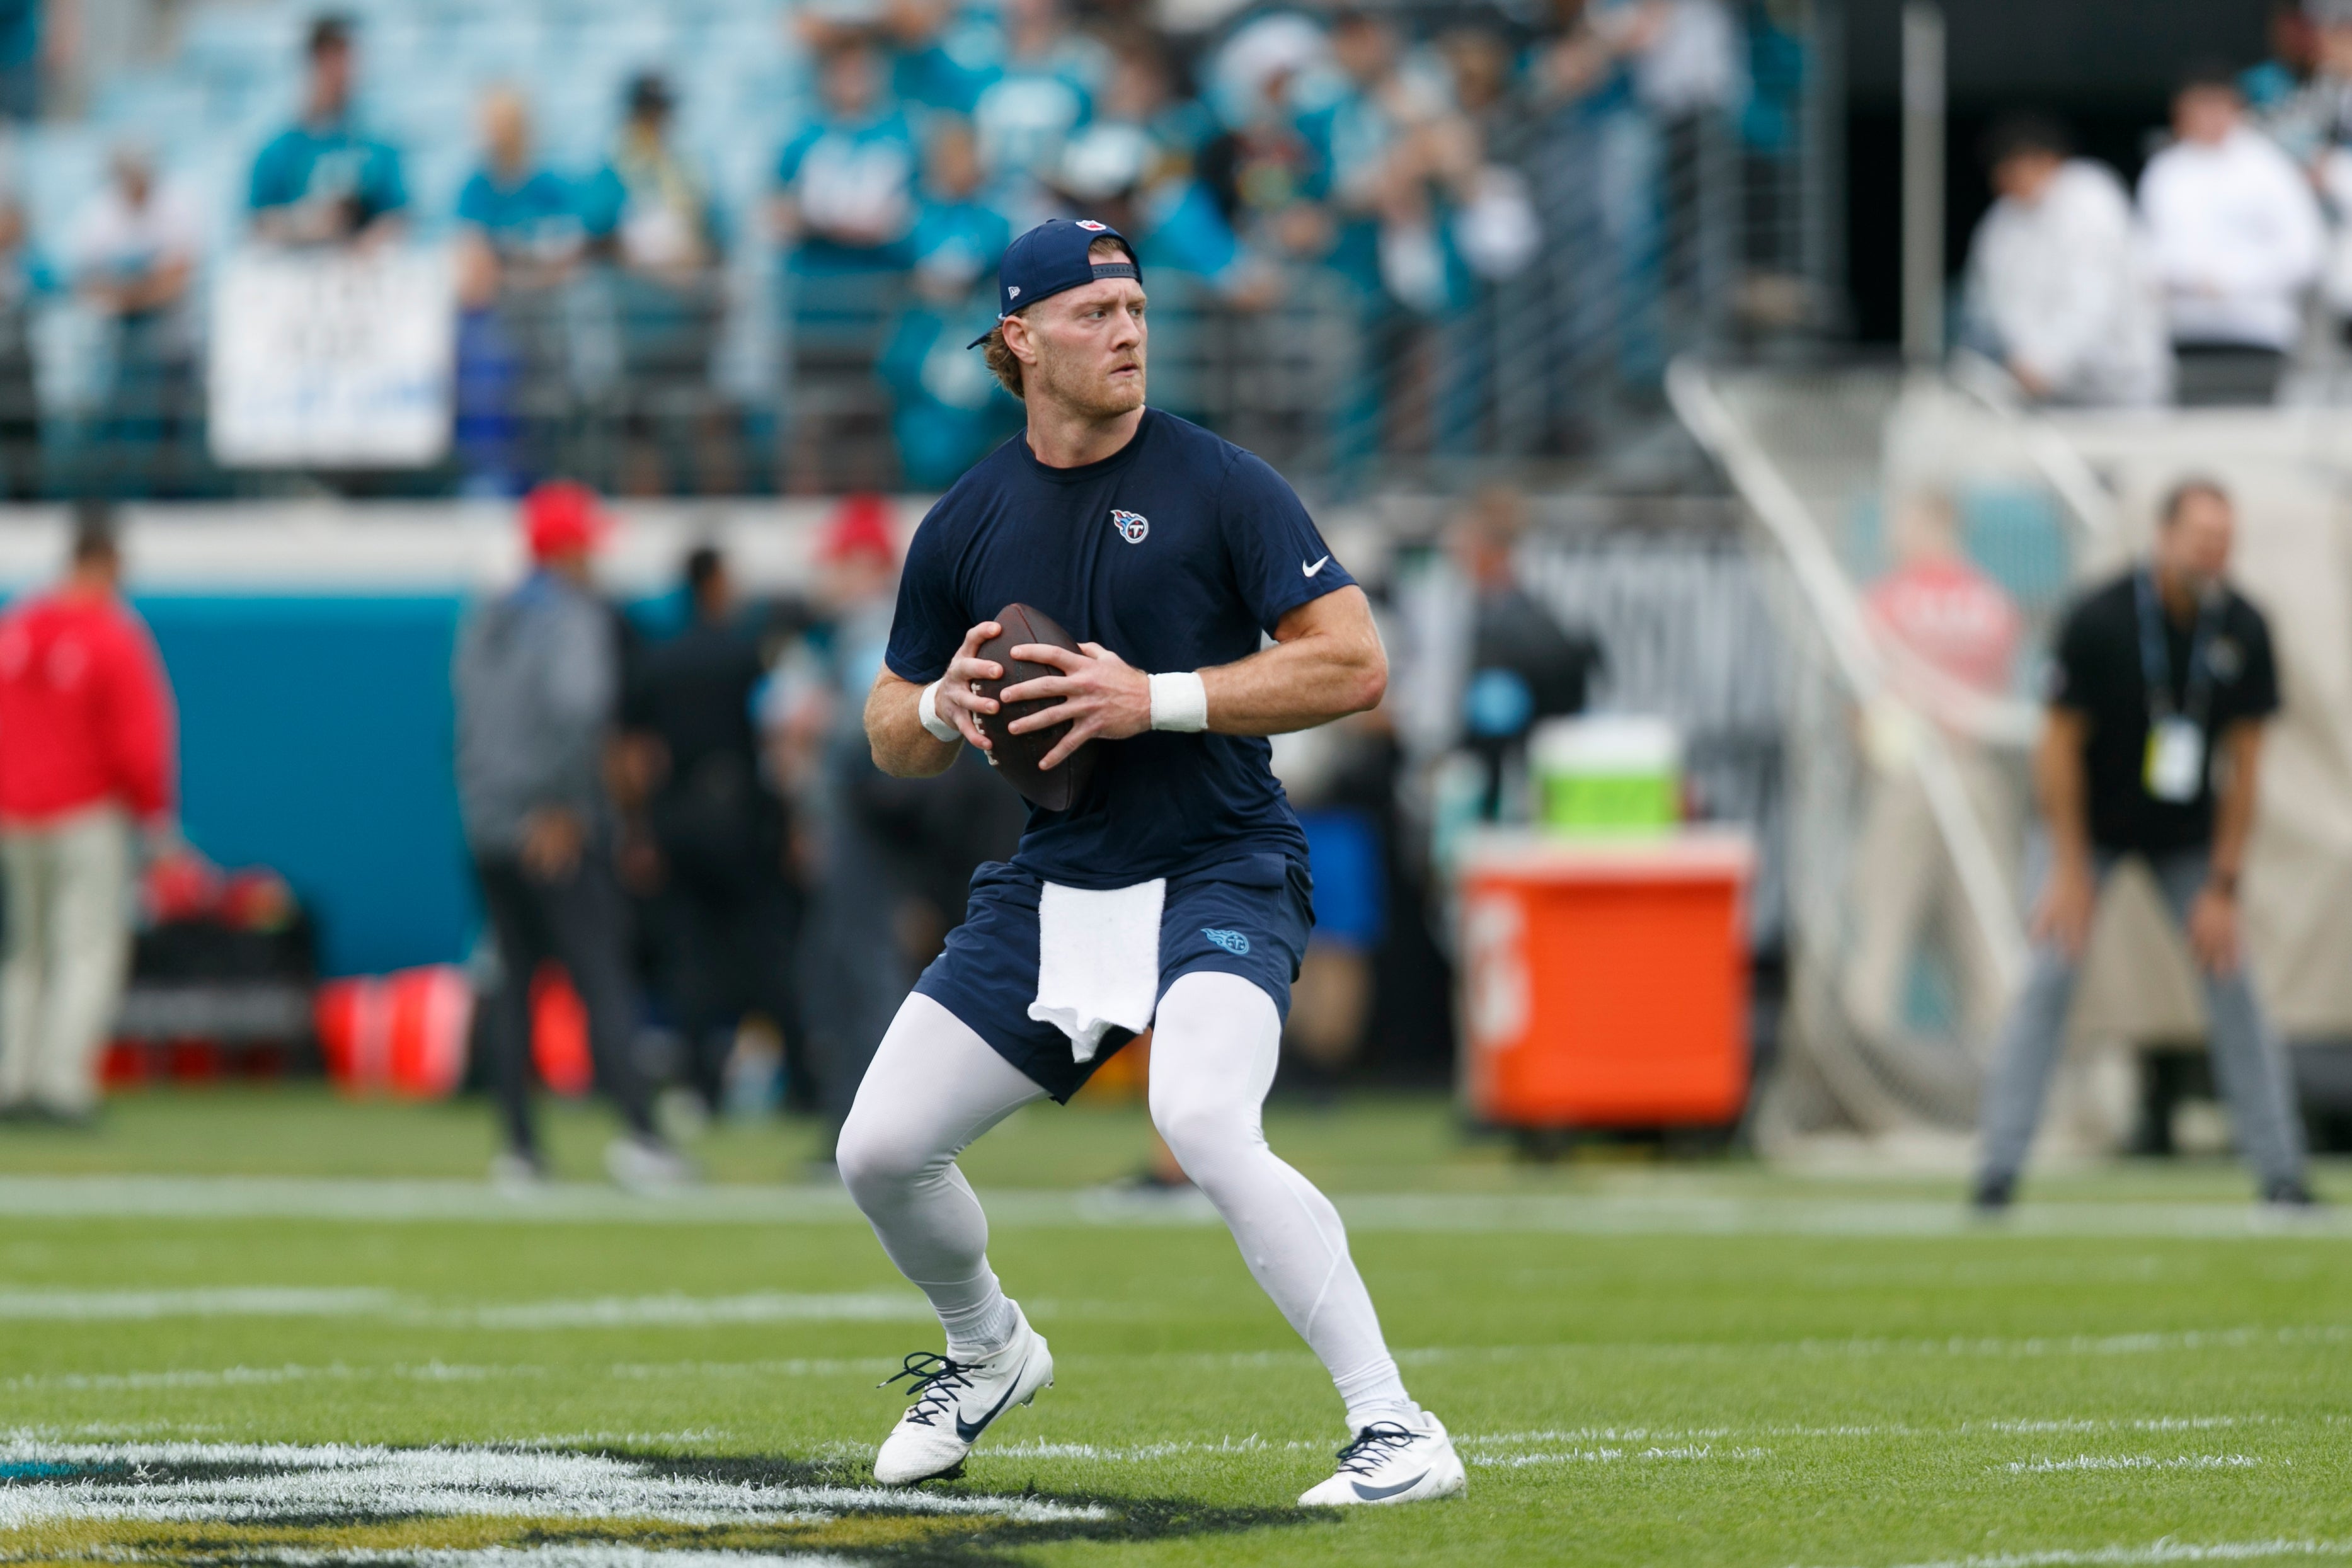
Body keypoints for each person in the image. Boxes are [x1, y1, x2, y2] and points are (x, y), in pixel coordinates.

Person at [837, 218, 1465, 1506]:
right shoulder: (966, 516)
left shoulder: (1222, 482)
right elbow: (889, 729)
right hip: (1061, 876)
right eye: (1091, 311)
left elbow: (1355, 661)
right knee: (879, 1147)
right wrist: (945, 710)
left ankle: (1397, 1427)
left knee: (1201, 1118)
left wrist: (1158, 699)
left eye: (1134, 305)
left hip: (1219, 863)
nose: (1125, 329)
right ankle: (986, 1348)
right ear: (1019, 339)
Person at [1973, 480, 2311, 1213]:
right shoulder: (2100, 618)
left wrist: (2222, 887)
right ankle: (1996, 1170)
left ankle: (2281, 1172)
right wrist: (2067, 870)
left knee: (2234, 981)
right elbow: (2056, 750)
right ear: (2163, 537)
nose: (2211, 553)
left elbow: (2244, 769)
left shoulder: (2243, 628)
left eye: (2223, 540)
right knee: (2047, 976)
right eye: (2199, 537)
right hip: (2085, 825)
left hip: (2185, 834)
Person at [453, 481, 692, 1191]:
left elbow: (464, 729)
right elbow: (578, 707)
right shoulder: (570, 614)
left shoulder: (487, 615)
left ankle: (520, 1148)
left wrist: (499, 813)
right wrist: (556, 806)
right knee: (600, 976)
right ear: (564, 547)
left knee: (513, 984)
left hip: (489, 825)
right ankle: (641, 1137)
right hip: (553, 825)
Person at [0, 506, 179, 1123]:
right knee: (85, 950)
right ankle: (60, 1084)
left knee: (25, 954)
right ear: (105, 563)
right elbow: (140, 741)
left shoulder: (17, 628)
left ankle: (12, 1077)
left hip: (13, 817)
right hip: (84, 814)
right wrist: (157, 821)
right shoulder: (111, 635)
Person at [621, 544, 801, 1119]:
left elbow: (635, 753)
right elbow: (783, 735)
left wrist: (639, 828)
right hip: (742, 818)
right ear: (717, 583)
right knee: (769, 953)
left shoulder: (661, 658)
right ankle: (802, 1083)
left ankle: (700, 1087)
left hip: (677, 819)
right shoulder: (749, 654)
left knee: (689, 958)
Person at [1844, 493, 2023, 1048]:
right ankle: (2003, 1064)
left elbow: (1860, 706)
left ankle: (1865, 1058)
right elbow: (1998, 689)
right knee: (1986, 936)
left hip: (1904, 778)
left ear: (1930, 521)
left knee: (1882, 930)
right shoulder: (1992, 603)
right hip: (1975, 771)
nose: (1893, 536)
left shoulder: (1884, 602)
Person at [2137, 69, 2324, 406]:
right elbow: (2149, 250)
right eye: (2198, 109)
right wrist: (2181, 277)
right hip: (2185, 332)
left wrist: (2230, 280)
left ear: (2235, 108)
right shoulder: (2165, 171)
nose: (2208, 119)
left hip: (2256, 331)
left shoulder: (2269, 167)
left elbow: (2303, 253)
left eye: (2216, 107)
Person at [1960, 115, 2170, 408]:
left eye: (2015, 169)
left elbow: (2093, 293)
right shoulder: (2000, 223)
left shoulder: (2090, 197)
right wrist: (2031, 359)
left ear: (2048, 161)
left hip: (2121, 383)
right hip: (2047, 391)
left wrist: (2048, 360)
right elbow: (2001, 301)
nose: (2006, 181)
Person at [70, 143, 207, 495]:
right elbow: (87, 283)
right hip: (119, 345)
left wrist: (128, 293)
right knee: (117, 426)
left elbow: (179, 276)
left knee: (170, 427)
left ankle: (171, 497)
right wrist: (145, 290)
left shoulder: (178, 203)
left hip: (172, 341)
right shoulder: (99, 212)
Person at [248, 15, 407, 246]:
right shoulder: (277, 149)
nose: (347, 71)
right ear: (315, 61)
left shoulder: (377, 142)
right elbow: (257, 222)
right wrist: (306, 226)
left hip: (362, 267)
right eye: (336, 57)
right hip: (294, 269)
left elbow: (398, 214)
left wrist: (366, 243)